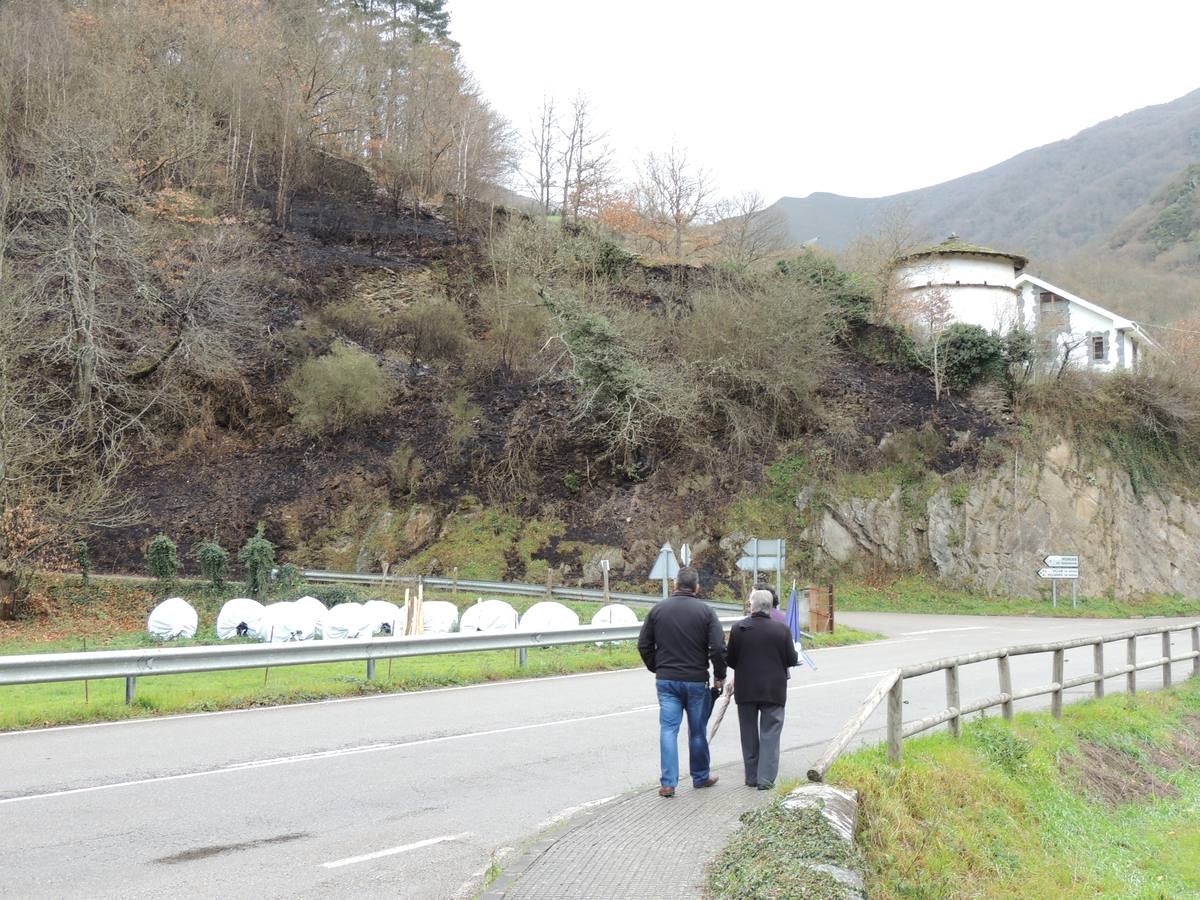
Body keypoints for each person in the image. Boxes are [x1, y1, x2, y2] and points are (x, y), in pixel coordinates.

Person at [637, 565, 727, 798]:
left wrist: (657, 667)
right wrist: (719, 676)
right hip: (696, 681)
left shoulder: (658, 610)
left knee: (668, 730)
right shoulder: (706, 612)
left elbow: (643, 645)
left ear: (675, 585)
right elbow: (718, 648)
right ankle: (700, 777)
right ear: (697, 587)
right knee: (697, 731)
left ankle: (668, 784)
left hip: (667, 681)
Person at [726, 588, 798, 791]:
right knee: (770, 734)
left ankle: (751, 776)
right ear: (770, 607)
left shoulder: (738, 628)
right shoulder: (781, 630)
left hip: (746, 690)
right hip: (773, 690)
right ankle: (765, 779)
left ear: (752, 605)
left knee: (748, 734)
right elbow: (792, 659)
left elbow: (730, 660)